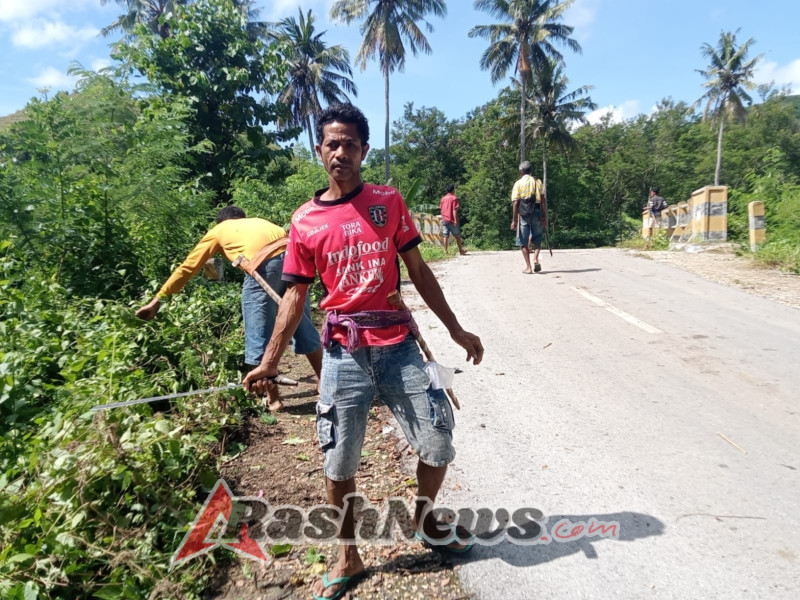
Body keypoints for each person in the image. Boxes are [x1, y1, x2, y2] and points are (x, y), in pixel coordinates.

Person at [242, 104, 484, 600]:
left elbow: (418, 271)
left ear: (364, 151)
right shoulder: (305, 221)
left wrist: (456, 330)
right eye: (332, 143)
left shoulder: (388, 202)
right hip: (343, 355)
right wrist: (269, 360)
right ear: (319, 151)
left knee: (438, 439)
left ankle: (425, 520)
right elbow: (294, 295)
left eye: (350, 143)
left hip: (399, 348)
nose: (341, 152)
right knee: (339, 461)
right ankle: (348, 554)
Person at [136, 206, 323, 411]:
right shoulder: (260, 221)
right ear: (241, 218)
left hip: (262, 264)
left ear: (221, 222)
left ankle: (273, 399)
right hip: (294, 260)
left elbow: (189, 267)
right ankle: (323, 382)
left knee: (258, 331)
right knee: (299, 320)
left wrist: (158, 299)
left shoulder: (218, 231)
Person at [510, 161, 548, 273]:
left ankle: (529, 267)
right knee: (537, 238)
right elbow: (542, 201)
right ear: (530, 171)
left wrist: (514, 220)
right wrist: (544, 216)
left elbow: (516, 203)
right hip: (536, 212)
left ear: (521, 171)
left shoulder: (518, 183)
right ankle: (535, 258)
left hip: (524, 215)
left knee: (523, 241)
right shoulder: (537, 181)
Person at [439, 183, 466, 255]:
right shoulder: (454, 198)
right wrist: (455, 220)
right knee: (457, 235)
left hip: (444, 219)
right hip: (451, 220)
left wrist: (443, 217)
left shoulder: (443, 198)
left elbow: (441, 209)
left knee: (445, 235)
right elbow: (454, 210)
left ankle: (445, 251)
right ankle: (461, 250)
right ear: (453, 190)